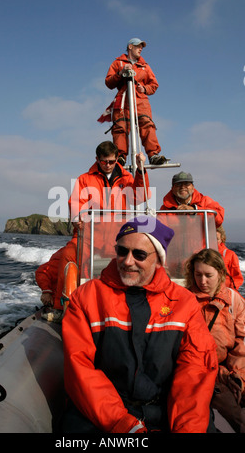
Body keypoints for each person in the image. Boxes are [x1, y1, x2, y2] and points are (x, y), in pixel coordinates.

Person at [62, 215, 218, 433]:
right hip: (102, 415)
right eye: (122, 251)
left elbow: (194, 373)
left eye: (140, 254)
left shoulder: (185, 304)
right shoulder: (86, 298)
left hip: (165, 412)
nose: (127, 261)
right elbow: (79, 366)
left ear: (159, 259)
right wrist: (124, 425)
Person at [48, 141, 150, 310]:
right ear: (97, 159)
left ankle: (129, 303)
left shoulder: (127, 178)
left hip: (118, 236)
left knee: (138, 256)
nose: (108, 165)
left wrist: (140, 170)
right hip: (90, 235)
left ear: (117, 158)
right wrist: (76, 218)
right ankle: (63, 307)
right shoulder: (84, 179)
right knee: (69, 254)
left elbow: (140, 196)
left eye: (111, 161)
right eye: (104, 161)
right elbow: (76, 202)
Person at [184, 248, 245, 433]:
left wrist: (237, 377)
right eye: (198, 274)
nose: (202, 281)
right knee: (237, 417)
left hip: (229, 370)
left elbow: (239, 344)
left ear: (220, 273)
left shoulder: (235, 301)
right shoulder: (184, 300)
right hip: (198, 372)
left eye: (208, 275)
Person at [100, 38, 166, 166]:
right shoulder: (118, 63)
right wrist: (121, 73)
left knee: (147, 124)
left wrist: (145, 88)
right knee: (120, 127)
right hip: (123, 100)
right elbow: (109, 82)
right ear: (130, 47)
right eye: (137, 46)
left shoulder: (145, 66)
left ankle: (153, 155)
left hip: (140, 100)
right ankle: (120, 157)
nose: (140, 49)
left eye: (141, 47)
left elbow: (154, 84)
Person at [160, 171, 225, 227]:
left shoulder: (205, 201)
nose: (182, 187)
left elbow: (219, 220)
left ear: (193, 187)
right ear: (172, 188)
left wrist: (195, 210)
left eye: (187, 184)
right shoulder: (165, 209)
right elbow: (160, 231)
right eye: (178, 184)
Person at [216, 225, 244, 290]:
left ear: (222, 239)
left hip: (225, 292)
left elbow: (237, 277)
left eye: (217, 239)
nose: (214, 240)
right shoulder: (202, 254)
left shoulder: (230, 255)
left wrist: (230, 291)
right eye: (211, 238)